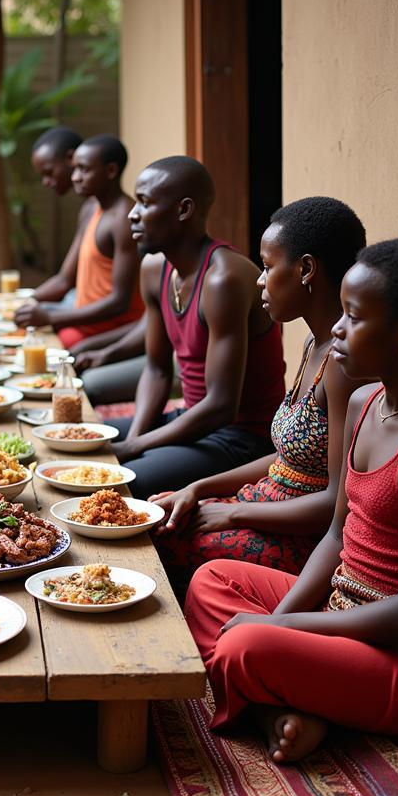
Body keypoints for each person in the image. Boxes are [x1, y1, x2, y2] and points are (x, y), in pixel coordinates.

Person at [185, 237, 398, 763]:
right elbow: (338, 536)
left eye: (354, 316)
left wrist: (280, 628)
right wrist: (283, 621)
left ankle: (286, 700)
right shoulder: (364, 401)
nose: (336, 328)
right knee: (211, 582)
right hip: (344, 609)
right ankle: (287, 712)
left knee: (245, 646)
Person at [151, 197, 367, 594]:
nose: (259, 280)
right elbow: (290, 460)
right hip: (265, 503)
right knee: (158, 517)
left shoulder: (342, 363)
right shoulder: (311, 342)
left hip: (301, 537)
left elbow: (337, 502)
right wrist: (199, 488)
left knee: (162, 542)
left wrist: (235, 516)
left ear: (305, 269)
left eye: (267, 266)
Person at [107, 156, 285, 500]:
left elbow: (221, 405)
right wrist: (134, 441)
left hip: (240, 437)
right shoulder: (154, 268)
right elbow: (158, 370)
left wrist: (134, 448)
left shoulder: (224, 278)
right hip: (191, 417)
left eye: (144, 202)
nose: (132, 213)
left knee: (122, 483)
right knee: (82, 443)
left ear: (184, 210)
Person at [16, 135, 145, 356]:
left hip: (111, 329)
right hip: (84, 320)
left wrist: (49, 318)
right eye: (74, 169)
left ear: (111, 171)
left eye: (83, 170)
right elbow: (65, 279)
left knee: (42, 349)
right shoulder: (89, 209)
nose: (75, 177)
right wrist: (26, 302)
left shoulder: (124, 218)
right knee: (26, 337)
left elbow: (119, 302)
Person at [30, 125, 82, 199]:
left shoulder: (96, 204)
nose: (45, 182)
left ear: (70, 158)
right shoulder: (92, 206)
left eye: (49, 173)